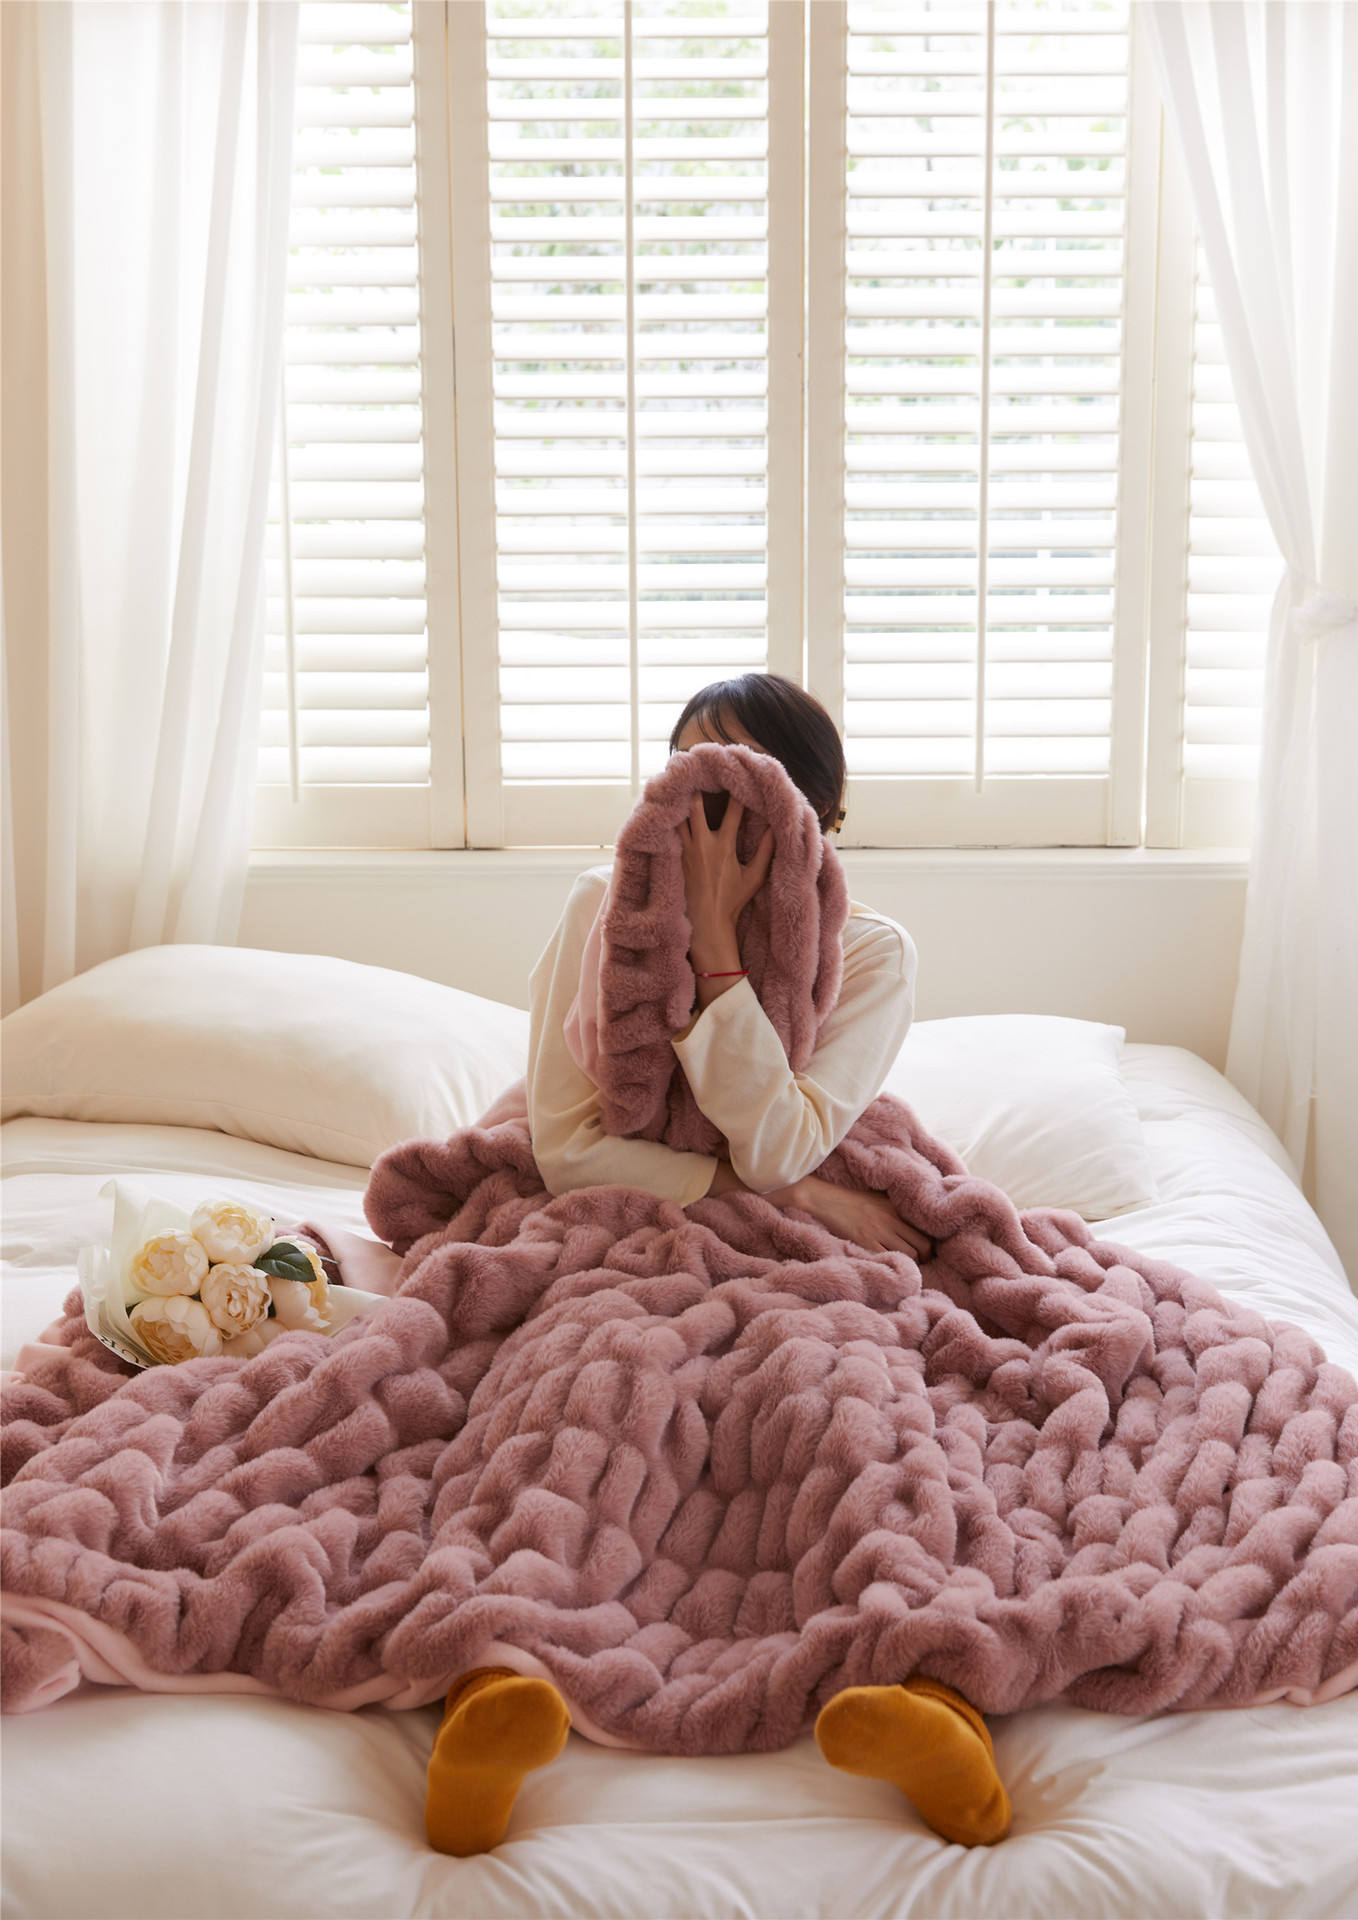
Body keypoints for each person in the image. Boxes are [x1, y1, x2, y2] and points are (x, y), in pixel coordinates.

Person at [424, 674, 1012, 1857]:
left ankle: (926, 1689)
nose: (707, 823)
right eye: (689, 783)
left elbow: (790, 1131)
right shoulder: (597, 909)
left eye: (744, 790)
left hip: (814, 1229)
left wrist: (721, 958)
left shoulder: (878, 954)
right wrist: (766, 1184)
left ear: (816, 819)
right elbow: (566, 1146)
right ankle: (491, 1685)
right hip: (614, 1218)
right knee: (586, 1384)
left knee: (846, 1391)